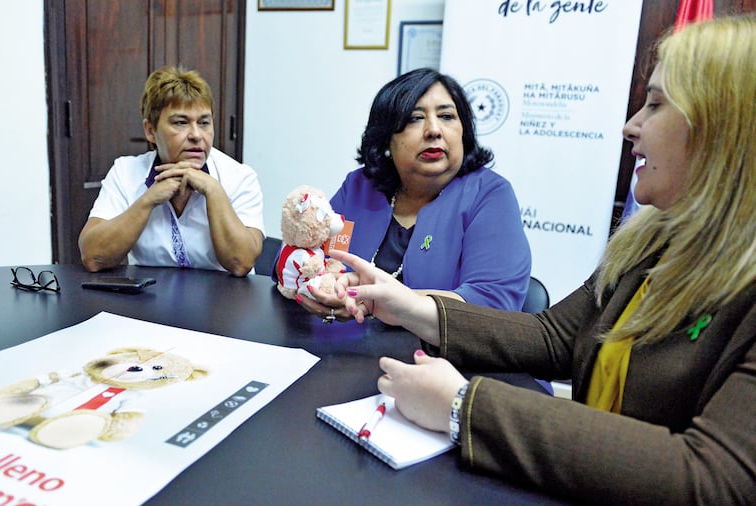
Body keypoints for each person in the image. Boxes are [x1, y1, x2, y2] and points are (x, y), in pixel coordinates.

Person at [315, 15, 756, 506]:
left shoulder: (488, 194)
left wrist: (466, 408)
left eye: (654, 105)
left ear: (726, 128)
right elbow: (553, 336)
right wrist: (405, 306)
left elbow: (717, 482)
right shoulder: (653, 244)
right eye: (415, 119)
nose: (631, 126)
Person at [297, 68, 531, 320]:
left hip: (438, 353)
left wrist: (379, 300)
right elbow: (299, 255)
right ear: (387, 138)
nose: (433, 130)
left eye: (447, 116)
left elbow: (493, 303)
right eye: (414, 118)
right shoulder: (361, 186)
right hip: (348, 345)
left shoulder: (489, 195)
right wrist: (322, 289)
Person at [79, 66, 264, 276]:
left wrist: (213, 190)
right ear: (150, 131)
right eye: (181, 123)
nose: (196, 135)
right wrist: (148, 200)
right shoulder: (125, 172)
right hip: (151, 301)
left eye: (204, 123)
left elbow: (241, 263)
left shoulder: (239, 177)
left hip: (224, 303)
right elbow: (93, 257)